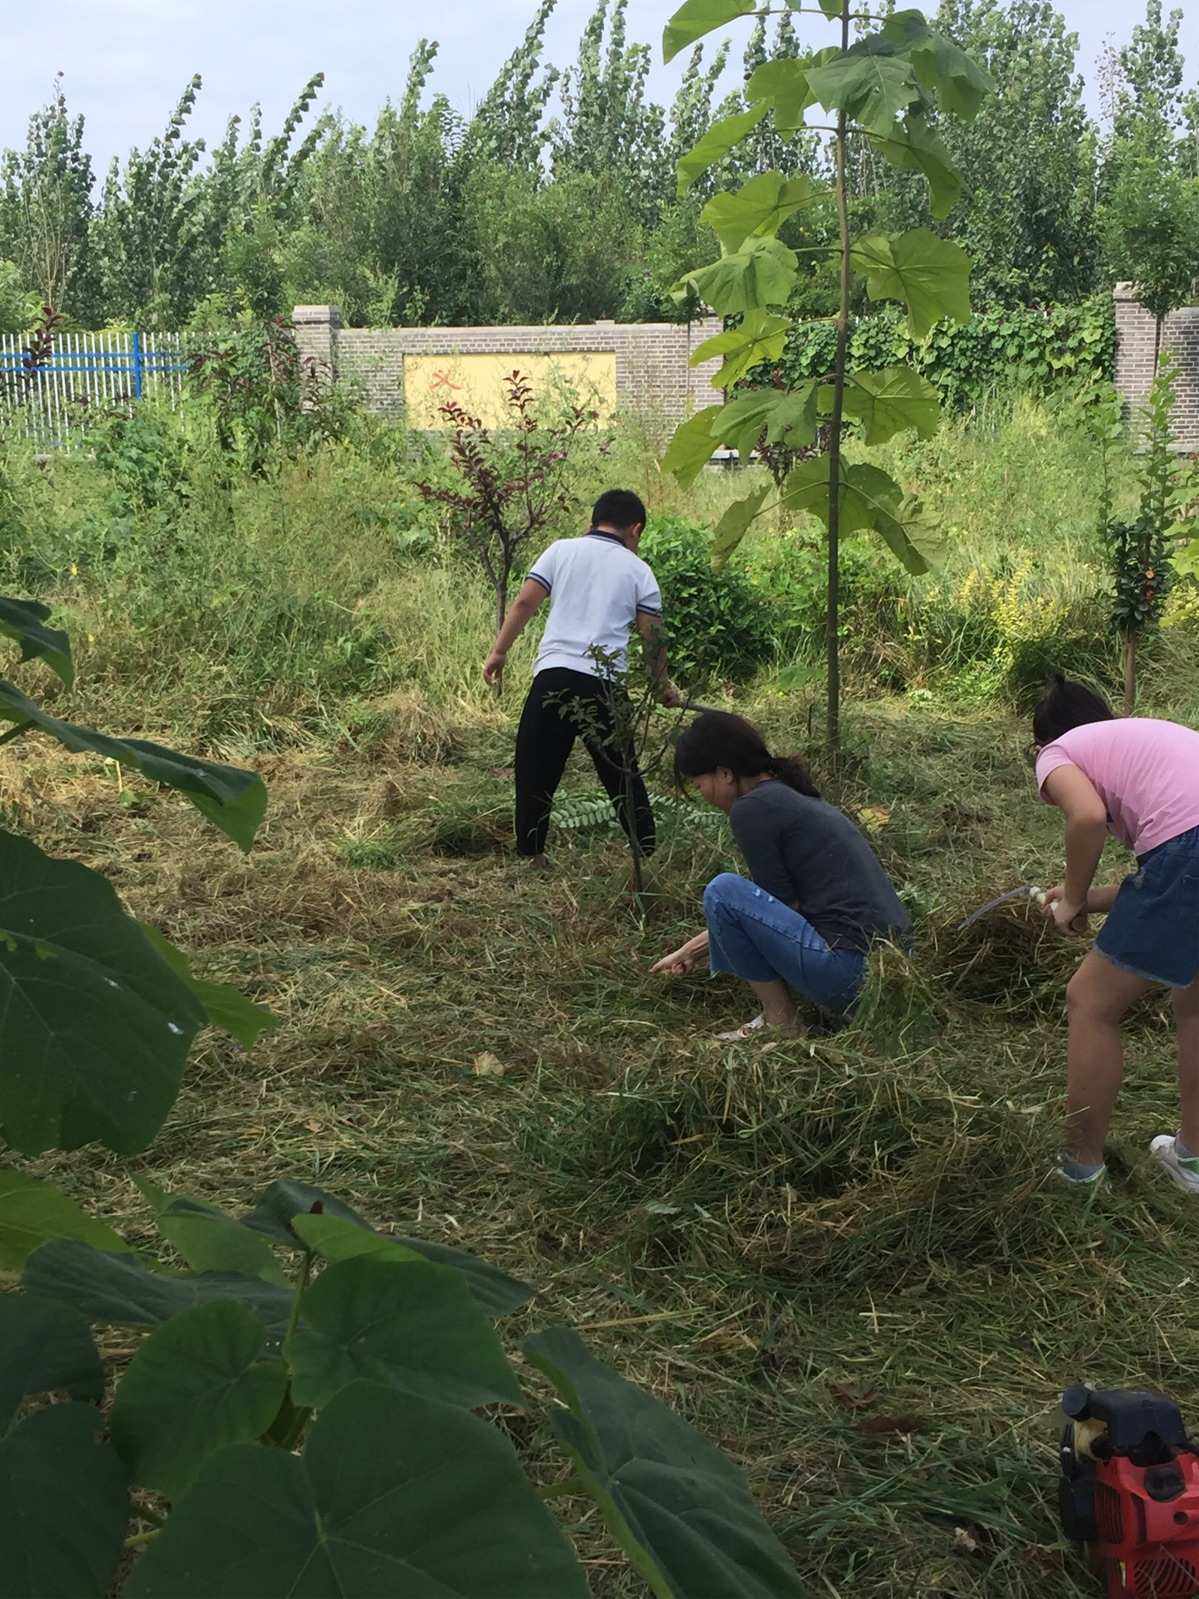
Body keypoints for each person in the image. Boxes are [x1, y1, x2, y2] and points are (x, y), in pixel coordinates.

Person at [1032, 674, 1199, 1195]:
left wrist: (1077, 898)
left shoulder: (1056, 752)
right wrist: (1081, 896)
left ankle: (1079, 1169)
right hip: (1187, 852)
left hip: (1190, 850)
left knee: (1090, 1001)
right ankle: (1193, 1160)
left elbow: (1086, 818)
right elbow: (1158, 880)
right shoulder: (1142, 744)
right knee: (1194, 1001)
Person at [651, 711, 911, 1040]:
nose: (701, 794)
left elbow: (780, 910)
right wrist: (694, 950)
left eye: (698, 783)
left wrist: (695, 948)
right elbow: (771, 910)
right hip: (893, 977)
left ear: (725, 774)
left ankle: (781, 1021)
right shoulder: (787, 795)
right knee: (731, 897)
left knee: (722, 891)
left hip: (853, 977)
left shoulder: (752, 809)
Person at [483, 489, 681, 867]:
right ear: (635, 529)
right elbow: (652, 637)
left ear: (594, 520)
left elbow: (525, 602)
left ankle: (531, 854)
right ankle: (646, 852)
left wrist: (499, 651)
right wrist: (661, 687)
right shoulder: (639, 571)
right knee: (621, 772)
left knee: (534, 766)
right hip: (604, 685)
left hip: (552, 678)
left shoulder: (560, 550)